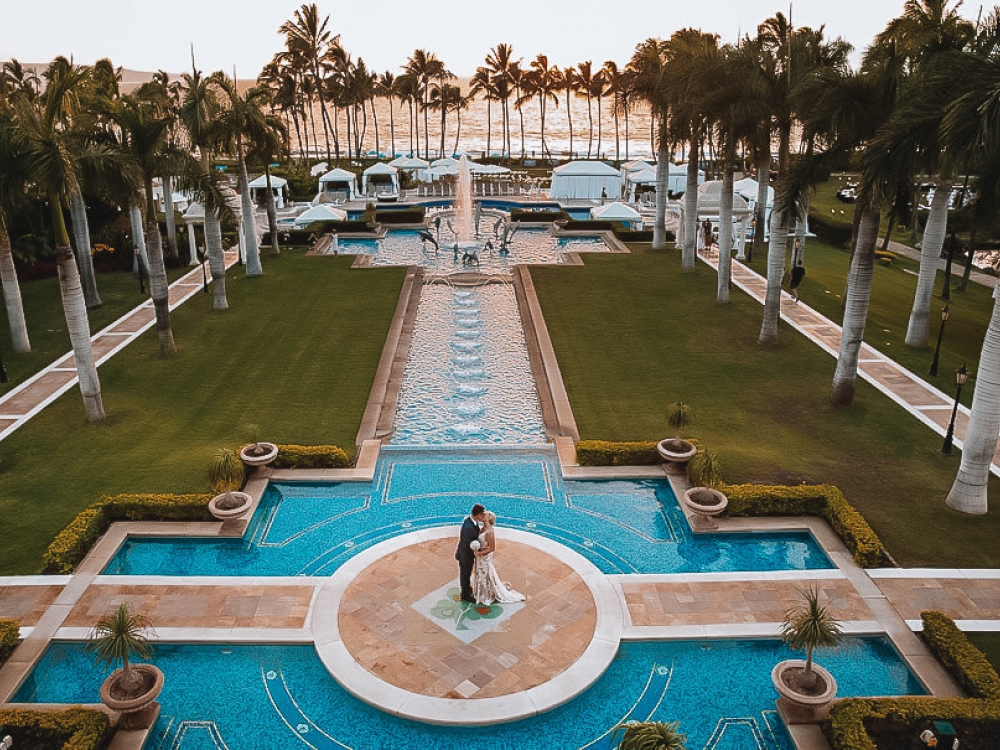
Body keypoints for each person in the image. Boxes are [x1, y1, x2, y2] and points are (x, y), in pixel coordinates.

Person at [474, 511, 526, 606]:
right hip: (479, 556)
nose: (482, 515)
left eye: (485, 515)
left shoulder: (489, 531)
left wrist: (479, 553)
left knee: (485, 575)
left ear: (488, 519)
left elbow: (492, 548)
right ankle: (480, 594)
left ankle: (486, 596)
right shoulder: (482, 529)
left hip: (484, 557)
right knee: (480, 573)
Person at [455, 504, 486, 604]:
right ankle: (465, 594)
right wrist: (476, 553)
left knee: (467, 574)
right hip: (465, 556)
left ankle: (467, 588)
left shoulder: (472, 521)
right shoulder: (468, 527)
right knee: (465, 574)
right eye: (482, 515)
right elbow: (466, 545)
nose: (483, 517)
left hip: (466, 554)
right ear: (478, 515)